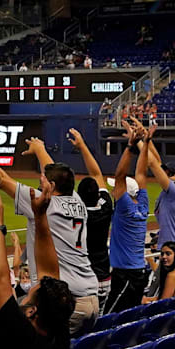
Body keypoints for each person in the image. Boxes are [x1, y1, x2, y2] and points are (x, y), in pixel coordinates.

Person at [0, 127, 100, 335]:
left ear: (50, 186)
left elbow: (0, 178)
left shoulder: (44, 204)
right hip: (91, 296)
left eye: (43, 181)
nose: (39, 182)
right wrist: (41, 149)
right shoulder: (76, 201)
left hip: (66, 301)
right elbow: (52, 172)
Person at [0, 183, 74, 349]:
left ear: (32, 311)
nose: (37, 281)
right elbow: (48, 270)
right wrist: (40, 216)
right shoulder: (59, 332)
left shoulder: (19, 333)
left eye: (34, 288)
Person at [106, 121, 152, 312]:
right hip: (137, 273)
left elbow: (120, 175)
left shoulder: (124, 206)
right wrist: (147, 142)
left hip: (125, 276)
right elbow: (141, 173)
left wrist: (131, 146)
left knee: (108, 318)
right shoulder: (142, 204)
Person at [68, 128, 113, 305]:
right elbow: (96, 174)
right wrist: (82, 146)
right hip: (103, 278)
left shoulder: (72, 212)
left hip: (81, 279)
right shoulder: (105, 207)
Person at [145, 133, 175, 258]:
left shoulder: (174, 193)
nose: (166, 176)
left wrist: (138, 141)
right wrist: (146, 139)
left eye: (170, 174)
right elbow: (157, 162)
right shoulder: (167, 192)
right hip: (168, 251)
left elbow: (154, 164)